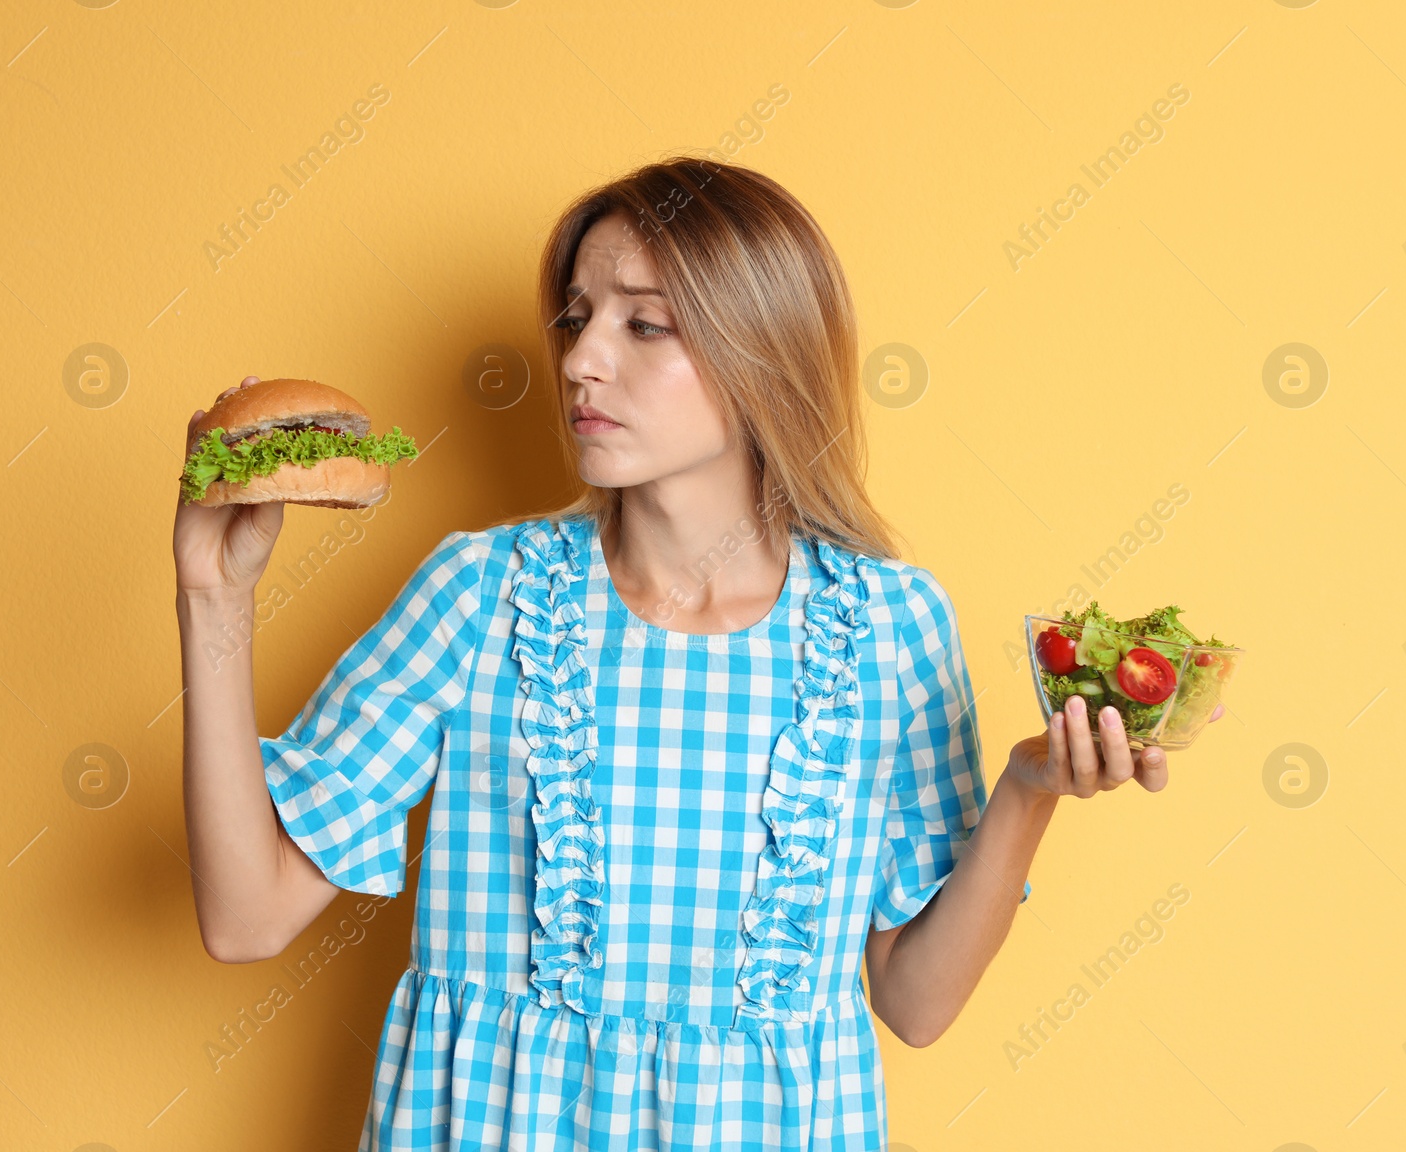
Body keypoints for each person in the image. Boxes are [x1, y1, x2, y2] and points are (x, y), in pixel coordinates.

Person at [173, 157, 1221, 1151]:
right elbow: (246, 916)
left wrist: (1027, 789)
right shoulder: (483, 593)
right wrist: (212, 598)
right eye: (578, 318)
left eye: (646, 324)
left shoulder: (889, 625)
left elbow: (915, 1003)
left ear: (762, 351)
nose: (582, 357)